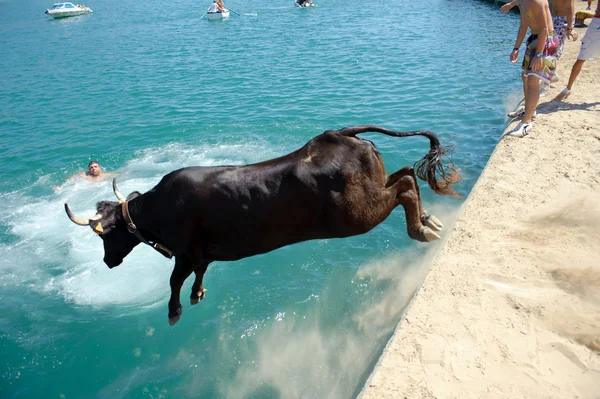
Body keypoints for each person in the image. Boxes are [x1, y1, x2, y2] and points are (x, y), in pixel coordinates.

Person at [502, 0, 578, 97]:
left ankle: (547, 81)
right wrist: (513, 4)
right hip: (553, 17)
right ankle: (549, 76)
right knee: (527, 73)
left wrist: (570, 28)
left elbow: (569, 6)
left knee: (552, 49)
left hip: (563, 20)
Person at [506, 0, 558, 137]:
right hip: (534, 40)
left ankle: (526, 123)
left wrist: (540, 55)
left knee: (533, 81)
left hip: (545, 41)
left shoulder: (536, 1)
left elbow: (544, 29)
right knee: (525, 76)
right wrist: (516, 48)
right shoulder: (522, 1)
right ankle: (530, 109)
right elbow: (523, 26)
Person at [554, 1, 600, 100]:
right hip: (597, 23)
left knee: (581, 58)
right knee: (581, 58)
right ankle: (568, 89)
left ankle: (567, 89)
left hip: (597, 24)